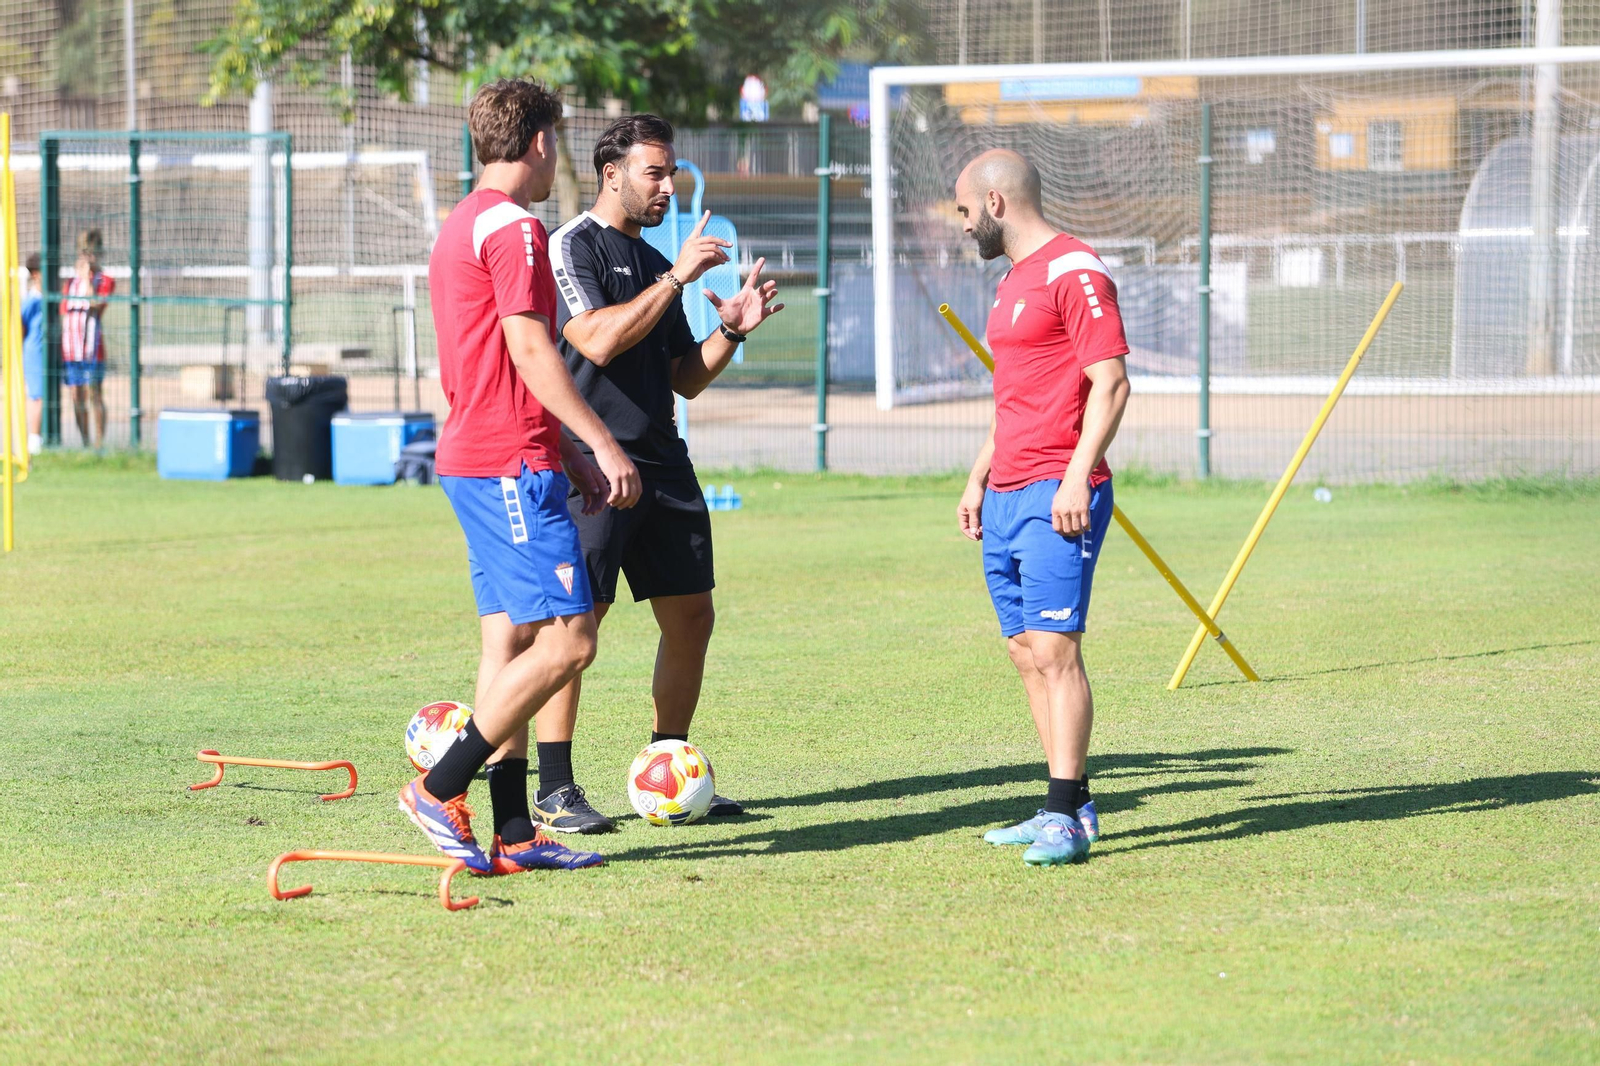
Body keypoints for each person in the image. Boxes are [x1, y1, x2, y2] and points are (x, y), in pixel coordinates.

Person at [402, 77, 643, 875]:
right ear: (540, 141)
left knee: (507, 645)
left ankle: (513, 832)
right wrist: (602, 443)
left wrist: (573, 456)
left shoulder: (463, 222)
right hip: (507, 465)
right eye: (559, 142)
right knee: (572, 641)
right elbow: (531, 350)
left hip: (487, 457)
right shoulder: (516, 229)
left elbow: (497, 365)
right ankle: (439, 788)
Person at [530, 114, 783, 832]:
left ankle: (667, 771)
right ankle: (554, 786)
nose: (668, 187)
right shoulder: (572, 245)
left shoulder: (651, 260)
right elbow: (597, 340)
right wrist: (677, 277)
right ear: (613, 174)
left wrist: (730, 330)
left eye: (670, 173)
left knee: (692, 616)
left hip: (663, 460)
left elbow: (685, 379)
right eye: (655, 173)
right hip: (594, 463)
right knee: (578, 624)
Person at [952, 149, 1132, 867]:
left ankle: (1062, 815)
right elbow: (1015, 397)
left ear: (995, 204)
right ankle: (1069, 805)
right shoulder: (1011, 284)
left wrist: (1075, 478)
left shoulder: (1075, 270)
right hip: (1005, 493)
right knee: (1026, 653)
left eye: (965, 212)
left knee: (1058, 653)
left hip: (1059, 492)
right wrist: (976, 479)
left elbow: (1111, 383)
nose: (963, 227)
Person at [61, 247, 112, 450]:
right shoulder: (69, 284)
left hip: (93, 350)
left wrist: (87, 280)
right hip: (71, 351)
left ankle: (99, 445)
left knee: (95, 394)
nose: (86, 260)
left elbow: (95, 303)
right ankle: (85, 442)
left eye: (90, 255)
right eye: (82, 255)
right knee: (76, 395)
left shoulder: (105, 281)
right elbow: (65, 313)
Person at [20, 253, 43, 455]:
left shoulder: (50, 297)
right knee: (38, 397)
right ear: (36, 274)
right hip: (35, 354)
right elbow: (20, 328)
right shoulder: (31, 301)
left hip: (48, 354)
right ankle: (34, 442)